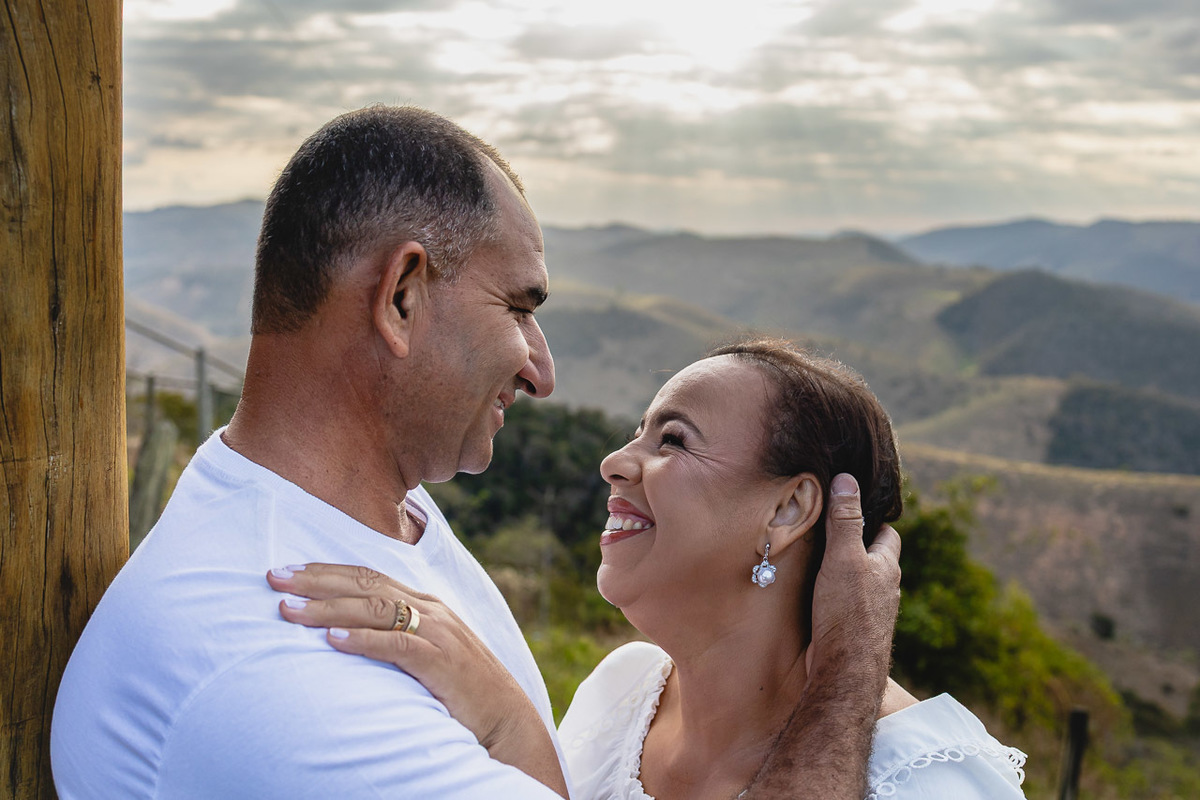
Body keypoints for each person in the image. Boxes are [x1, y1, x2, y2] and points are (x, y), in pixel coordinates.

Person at [51, 106, 899, 799]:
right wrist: (847, 678)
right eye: (519, 307)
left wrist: (509, 724)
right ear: (403, 296)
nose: (542, 368)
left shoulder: (386, 518)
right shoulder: (289, 679)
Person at [269, 339, 1028, 799]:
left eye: (673, 440)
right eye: (640, 432)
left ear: (788, 512)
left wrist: (506, 719)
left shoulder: (934, 782)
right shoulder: (623, 691)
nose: (615, 462)